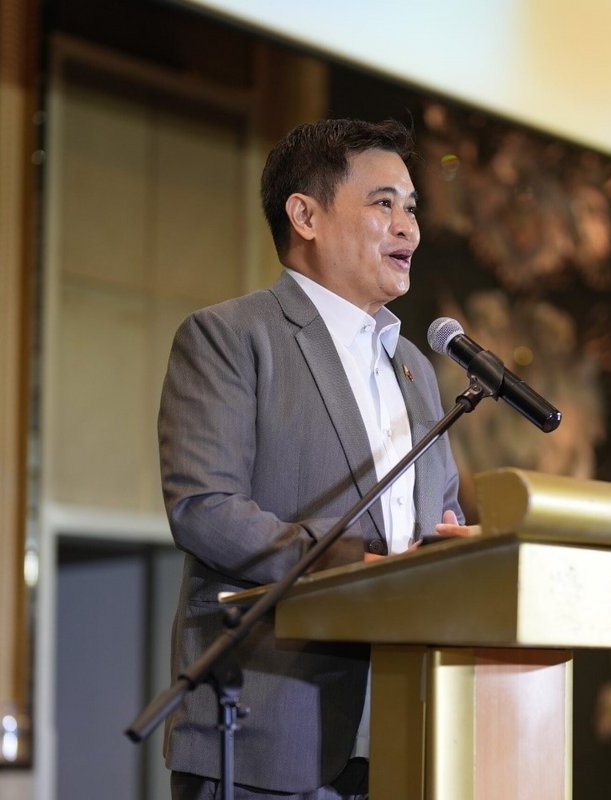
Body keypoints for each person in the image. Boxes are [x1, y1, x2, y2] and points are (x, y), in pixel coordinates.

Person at [160, 118, 472, 799]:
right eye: (384, 203)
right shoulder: (231, 337)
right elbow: (204, 509)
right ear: (305, 216)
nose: (409, 228)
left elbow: (439, 516)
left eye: (412, 207)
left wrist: (457, 548)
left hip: (403, 728)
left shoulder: (417, 369)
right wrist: (348, 566)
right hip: (268, 727)